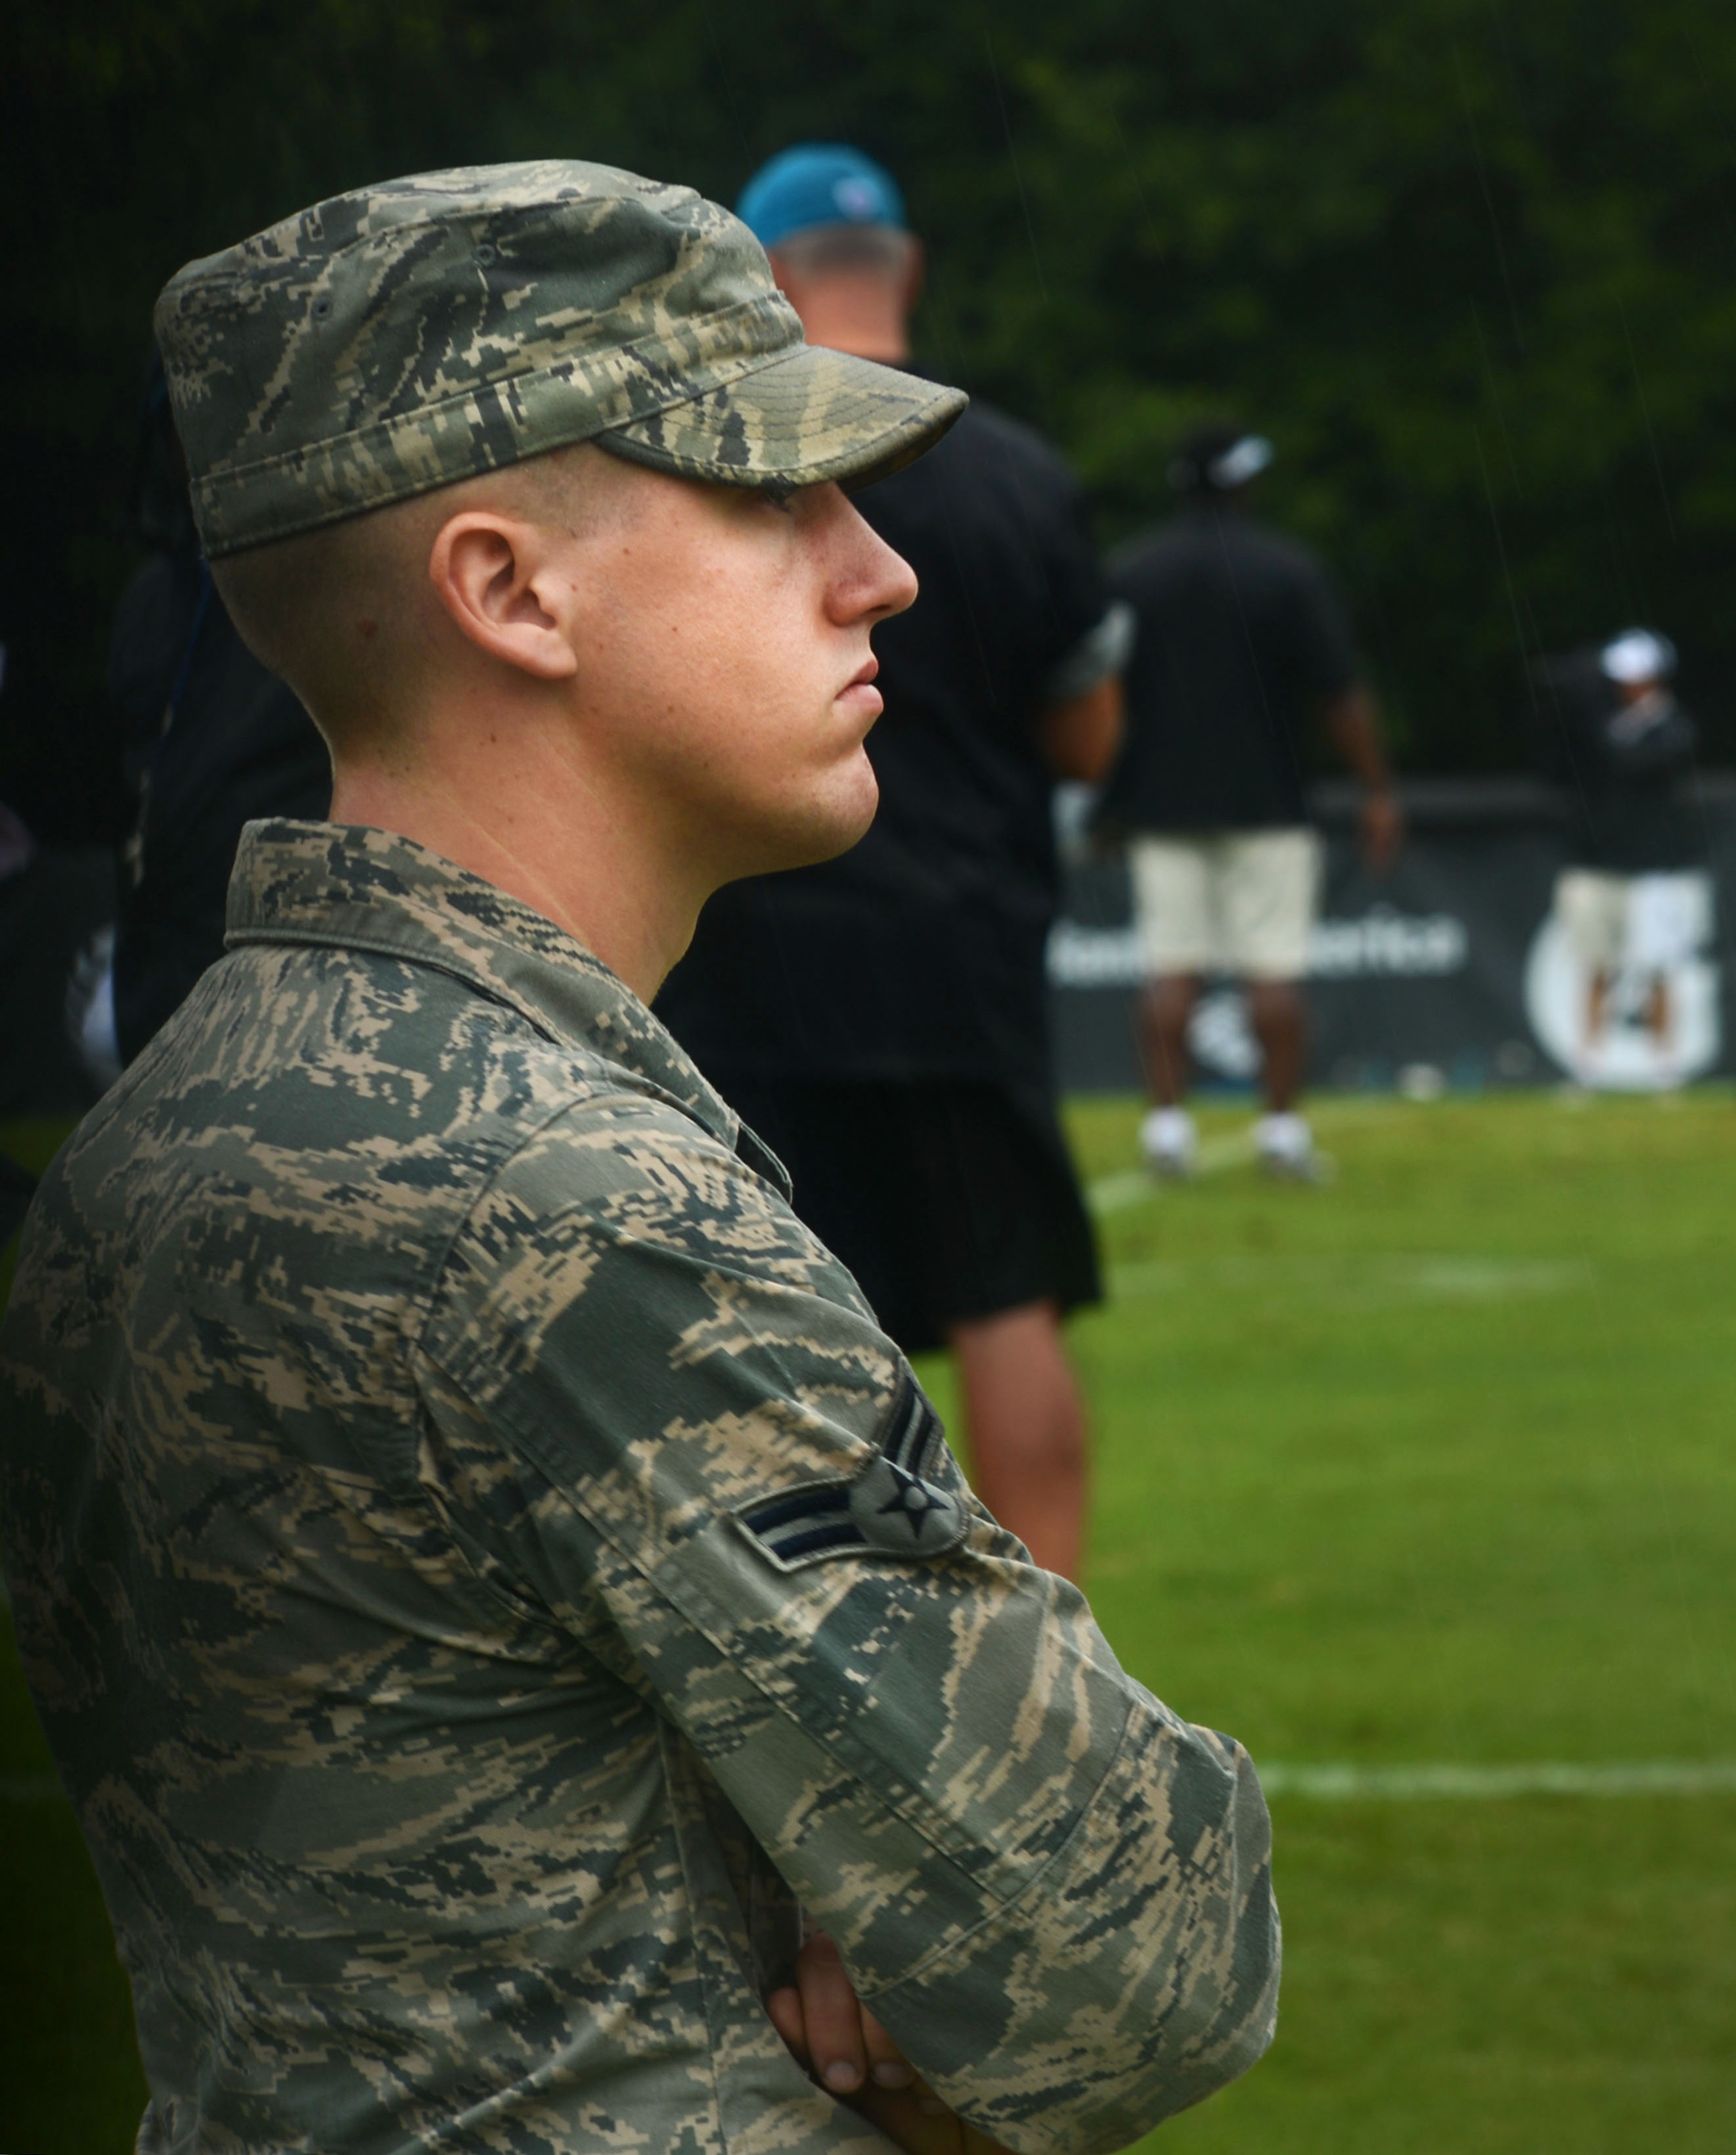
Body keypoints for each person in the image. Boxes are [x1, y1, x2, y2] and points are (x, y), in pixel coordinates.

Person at [0, 162, 1274, 2151]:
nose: (879, 573)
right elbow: (1142, 1949)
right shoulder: (573, 1213)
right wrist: (891, 1893)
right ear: (512, 591)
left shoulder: (150, 1148)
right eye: (775, 495)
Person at [654, 145, 1121, 1580]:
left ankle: (790, 1640)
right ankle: (1044, 1647)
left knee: (758, 1313)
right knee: (1003, 1299)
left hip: (756, 942)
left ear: (766, 277)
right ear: (908, 268)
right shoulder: (1025, 481)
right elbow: (1092, 739)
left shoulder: (720, 468)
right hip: (960, 947)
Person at [1100, 422, 1398, 1181]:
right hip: (1267, 802)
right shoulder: (1283, 570)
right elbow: (1340, 694)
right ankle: (1280, 1133)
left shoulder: (1136, 572)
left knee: (1170, 967)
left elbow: (1100, 695)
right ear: (1240, 482)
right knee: (1273, 971)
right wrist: (1377, 789)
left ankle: (1166, 1131)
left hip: (1164, 804)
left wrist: (1107, 792)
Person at [106, 368, 332, 1066]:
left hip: (286, 989)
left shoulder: (326, 584)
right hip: (156, 976)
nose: (200, 444)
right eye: (180, 422)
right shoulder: (154, 598)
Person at [1536, 626, 1705, 1088]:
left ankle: (1664, 1063)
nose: (1624, 687)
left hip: (1653, 869)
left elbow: (1629, 764)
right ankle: (1586, 1063)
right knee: (1595, 964)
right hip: (1594, 864)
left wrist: (1593, 714)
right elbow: (1560, 763)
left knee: (1657, 969)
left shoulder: (1674, 728)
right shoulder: (1595, 722)